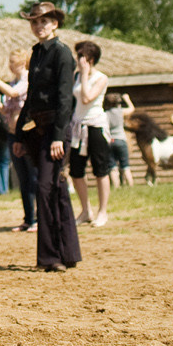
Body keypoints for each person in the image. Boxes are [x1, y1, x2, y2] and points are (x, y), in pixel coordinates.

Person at [13, 2, 82, 272]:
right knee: (56, 189)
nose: (38, 26)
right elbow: (31, 97)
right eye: (34, 22)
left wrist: (58, 137)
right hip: (37, 129)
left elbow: (65, 99)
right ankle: (68, 253)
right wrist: (19, 135)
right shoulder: (36, 53)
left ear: (55, 24)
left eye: (44, 21)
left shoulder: (62, 54)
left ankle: (51, 257)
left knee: (44, 188)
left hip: (56, 130)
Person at [70, 40, 112, 226]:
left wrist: (85, 74)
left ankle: (103, 212)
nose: (78, 59)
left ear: (90, 59)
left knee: (100, 169)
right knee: (76, 170)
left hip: (96, 126)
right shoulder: (76, 77)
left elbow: (87, 98)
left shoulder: (101, 78)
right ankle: (86, 210)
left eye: (81, 56)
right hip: (78, 127)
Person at [0, 50, 35, 231]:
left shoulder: (27, 80)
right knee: (23, 178)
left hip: (26, 134)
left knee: (32, 177)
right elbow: (6, 109)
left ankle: (37, 218)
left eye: (14, 62)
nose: (11, 66)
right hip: (13, 134)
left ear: (23, 63)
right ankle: (28, 218)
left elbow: (13, 93)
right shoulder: (13, 82)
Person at [104, 92, 135, 188]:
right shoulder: (120, 111)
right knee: (125, 166)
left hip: (110, 141)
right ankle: (131, 186)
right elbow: (132, 109)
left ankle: (116, 187)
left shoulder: (105, 114)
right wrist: (127, 99)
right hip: (121, 139)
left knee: (113, 167)